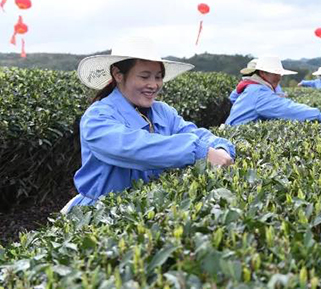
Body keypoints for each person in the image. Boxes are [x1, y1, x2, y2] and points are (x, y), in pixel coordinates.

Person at [62, 37, 235, 213]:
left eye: (158, 77)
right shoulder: (97, 117)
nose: (153, 85)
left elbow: (195, 133)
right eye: (144, 76)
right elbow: (132, 147)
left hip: (148, 210)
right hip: (101, 214)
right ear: (118, 74)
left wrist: (222, 147)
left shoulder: (162, 111)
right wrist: (199, 151)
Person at [225, 56, 321, 126]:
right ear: (262, 73)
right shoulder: (258, 92)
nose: (279, 77)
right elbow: (287, 108)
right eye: (275, 73)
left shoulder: (252, 86)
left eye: (279, 73)